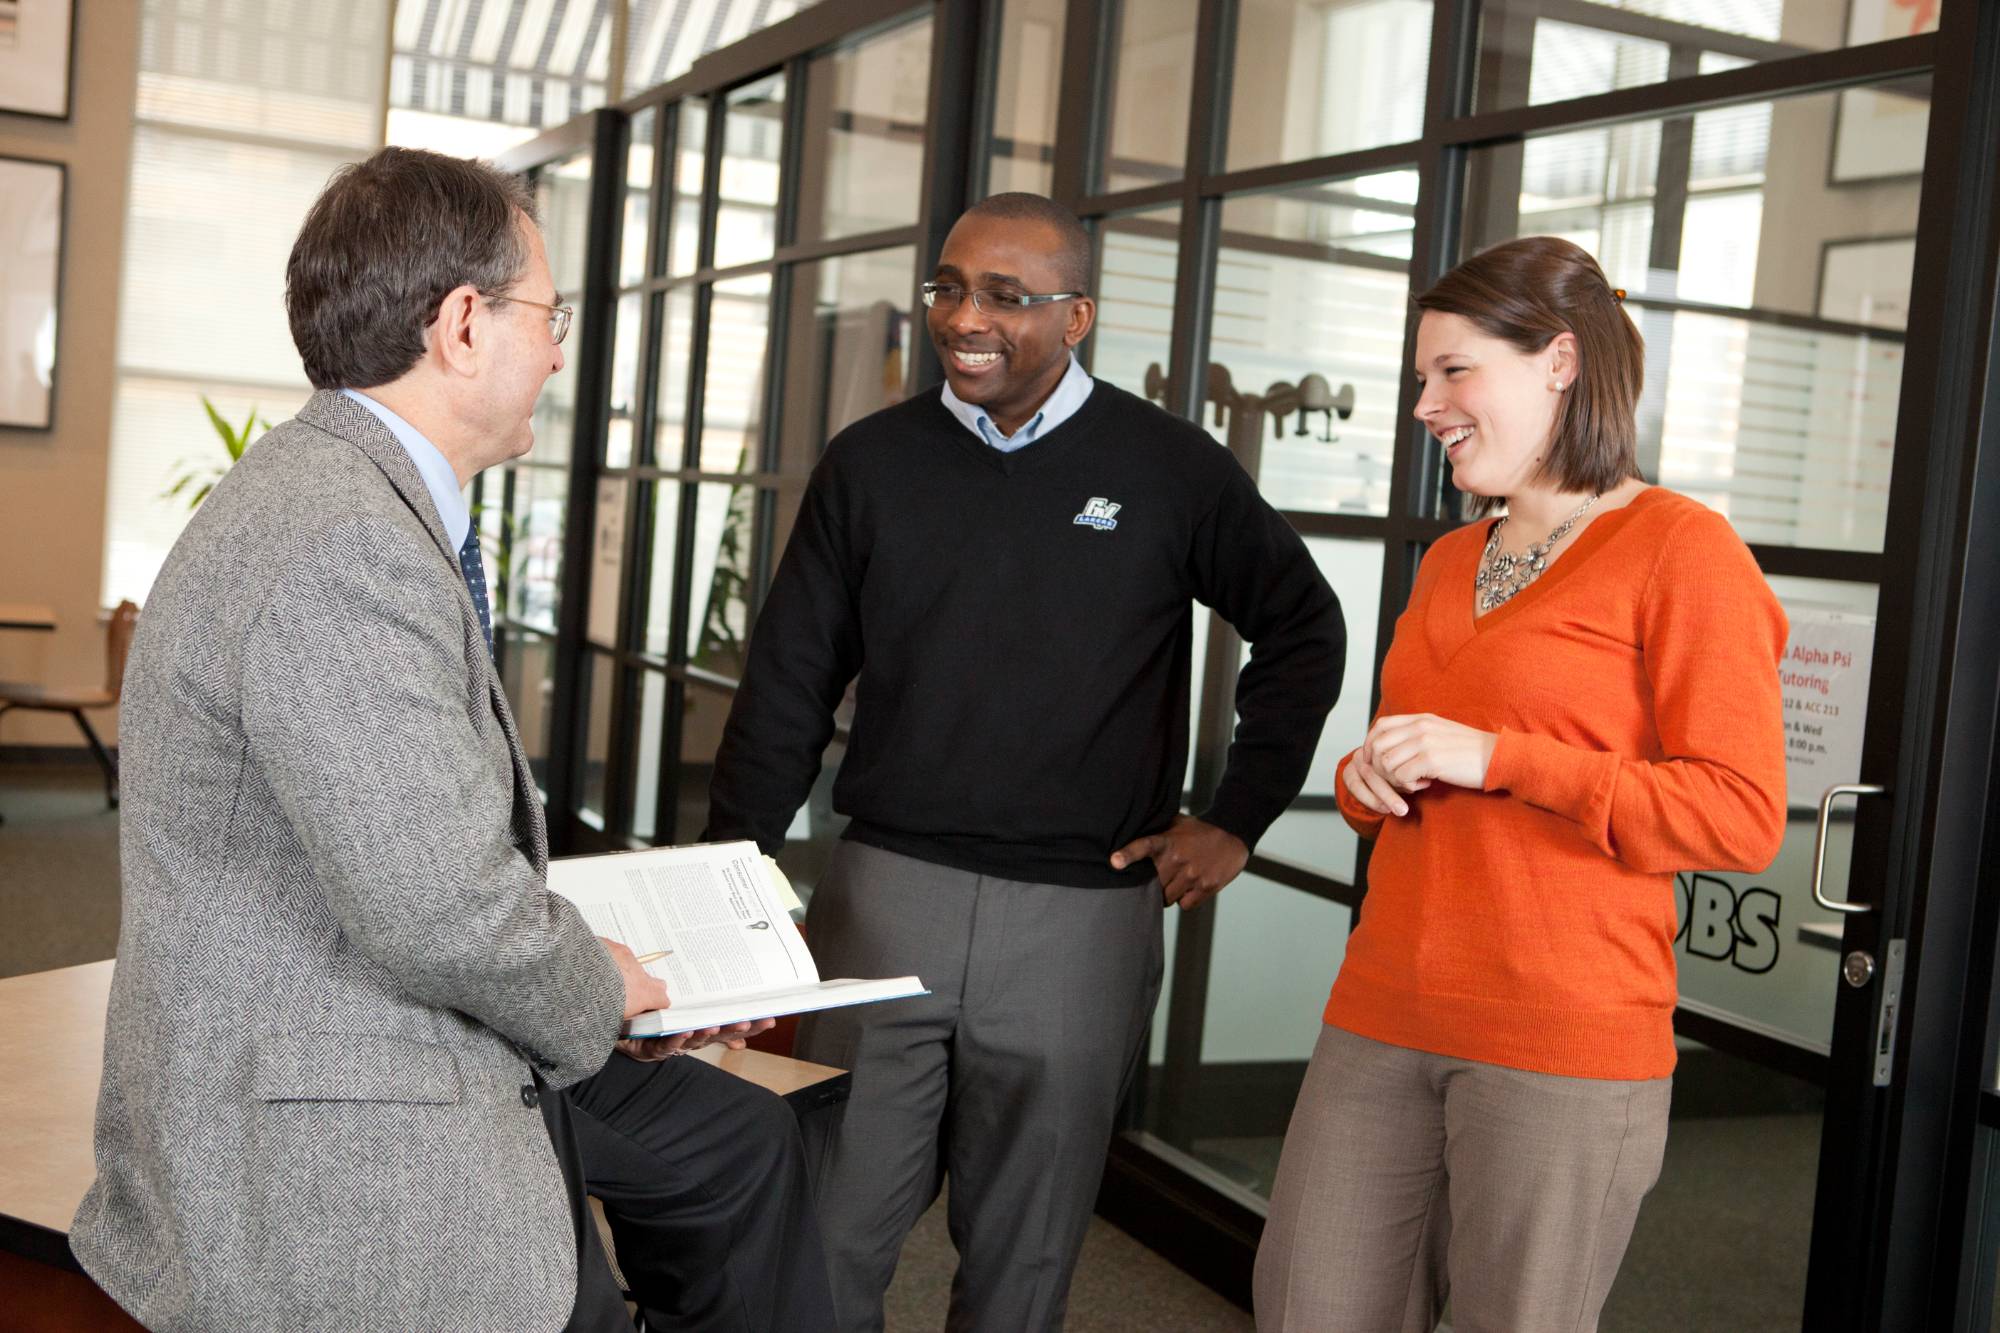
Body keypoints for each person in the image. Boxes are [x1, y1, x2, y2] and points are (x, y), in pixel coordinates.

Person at [71, 147, 835, 1333]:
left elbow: (423, 857)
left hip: (365, 1013)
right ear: (464, 325)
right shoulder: (340, 541)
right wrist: (601, 987)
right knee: (577, 1287)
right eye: (549, 317)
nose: (559, 352)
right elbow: (438, 912)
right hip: (317, 1093)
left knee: (735, 1144)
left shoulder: (351, 495)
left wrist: (608, 983)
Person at [701, 192, 1347, 1331]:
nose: (966, 318)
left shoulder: (1168, 468)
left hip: (1079, 920)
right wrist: (725, 893)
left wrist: (1236, 814)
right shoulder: (872, 463)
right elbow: (788, 683)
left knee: (1024, 1255)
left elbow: (1303, 626)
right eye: (949, 287)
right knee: (824, 1231)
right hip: (885, 902)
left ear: (1075, 316)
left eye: (1006, 296)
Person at [1252, 235, 1789, 1331]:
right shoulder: (1451, 559)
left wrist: (1501, 758)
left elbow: (1738, 815)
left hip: (1562, 1036)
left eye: (1454, 371)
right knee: (1307, 1304)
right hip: (1383, 1010)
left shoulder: (1683, 550)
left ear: (1558, 362)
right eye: (1421, 377)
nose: (1425, 405)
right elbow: (1399, 764)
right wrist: (1367, 775)